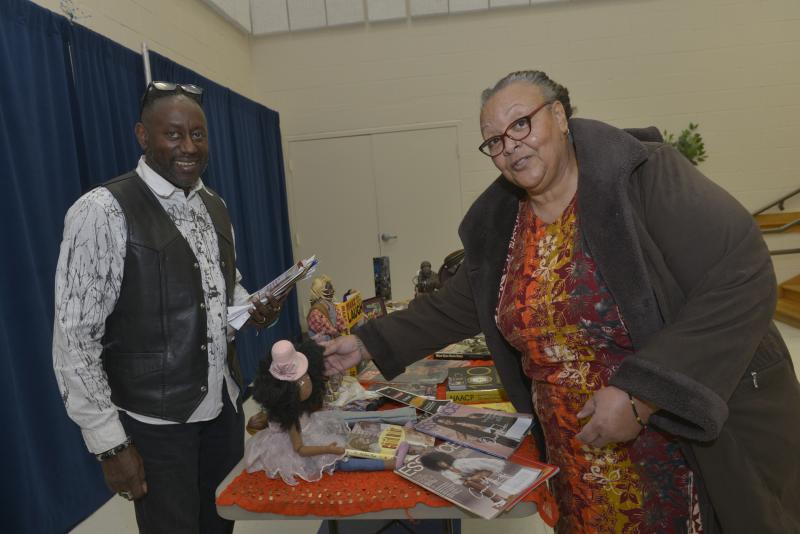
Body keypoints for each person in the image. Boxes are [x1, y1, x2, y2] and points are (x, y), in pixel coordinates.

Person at [322, 70, 800, 533]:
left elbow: (741, 272)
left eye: (521, 124)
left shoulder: (642, 179)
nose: (510, 146)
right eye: (494, 141)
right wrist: (364, 343)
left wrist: (641, 397)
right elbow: (452, 306)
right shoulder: (502, 227)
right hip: (575, 459)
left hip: (667, 446)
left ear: (561, 116)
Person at [52, 81, 284, 534]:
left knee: (220, 524)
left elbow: (223, 287)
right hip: (157, 423)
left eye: (198, 135)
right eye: (173, 135)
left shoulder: (213, 204)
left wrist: (251, 306)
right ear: (143, 136)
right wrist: (110, 445)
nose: (189, 147)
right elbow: (75, 339)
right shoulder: (102, 210)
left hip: (223, 406)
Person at [245, 340, 404, 485]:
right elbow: (300, 449)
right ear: (284, 391)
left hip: (312, 429)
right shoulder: (291, 419)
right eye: (299, 382)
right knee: (340, 462)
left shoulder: (299, 406)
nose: (307, 383)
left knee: (347, 429)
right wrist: (327, 449)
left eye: (306, 376)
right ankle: (388, 463)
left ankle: (398, 429)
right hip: (300, 448)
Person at [306, 275, 345, 342]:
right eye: (329, 289)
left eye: (331, 287)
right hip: (321, 346)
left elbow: (340, 322)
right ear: (320, 291)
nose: (332, 290)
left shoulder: (331, 305)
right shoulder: (316, 311)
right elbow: (325, 328)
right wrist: (338, 335)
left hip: (332, 341)